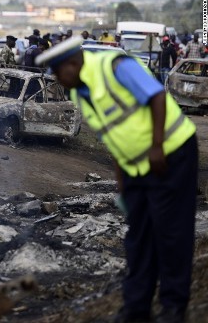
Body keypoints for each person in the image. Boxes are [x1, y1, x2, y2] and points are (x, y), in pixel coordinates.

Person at [36, 37, 197, 323]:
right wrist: (121, 180)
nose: (57, 80)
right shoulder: (81, 92)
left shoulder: (116, 67)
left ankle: (173, 308)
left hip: (170, 154)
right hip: (136, 168)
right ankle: (136, 308)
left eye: (58, 73)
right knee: (138, 238)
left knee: (171, 235)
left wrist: (157, 146)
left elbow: (157, 97)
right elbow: (113, 135)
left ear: (73, 64)